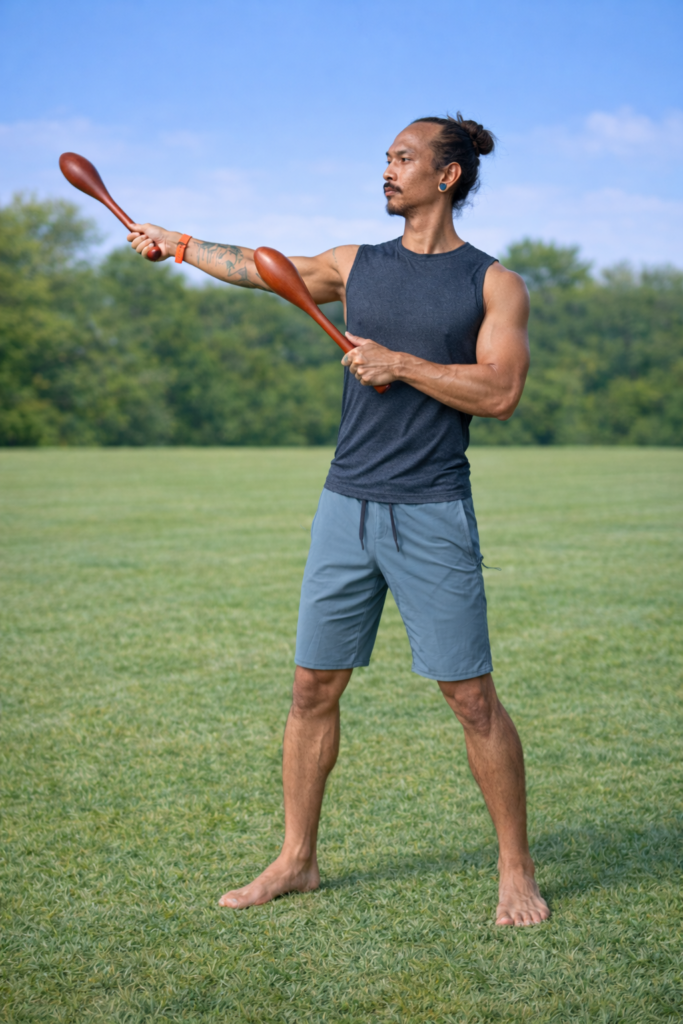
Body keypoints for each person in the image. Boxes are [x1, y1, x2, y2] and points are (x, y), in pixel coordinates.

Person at [128, 113, 550, 927]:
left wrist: (401, 364)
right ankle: (297, 860)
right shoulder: (356, 264)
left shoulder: (492, 284)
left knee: (470, 700)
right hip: (344, 503)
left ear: (447, 175)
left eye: (403, 158)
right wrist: (178, 243)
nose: (386, 169)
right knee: (310, 687)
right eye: (385, 157)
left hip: (431, 507)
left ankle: (515, 866)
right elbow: (263, 268)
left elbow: (500, 392)